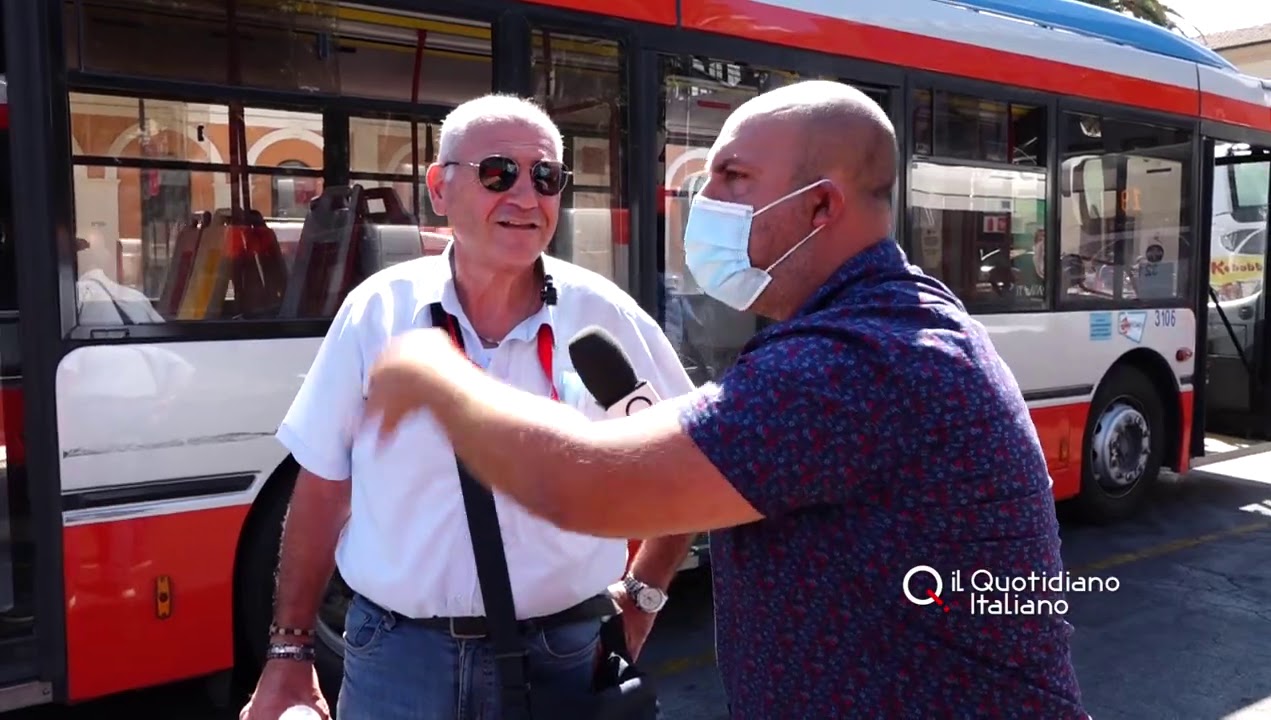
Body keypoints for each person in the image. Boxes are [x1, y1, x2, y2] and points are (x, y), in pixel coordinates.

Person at [361, 80, 1091, 718]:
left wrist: (436, 372)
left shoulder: (852, 362)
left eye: (734, 177)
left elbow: (589, 487)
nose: (704, 201)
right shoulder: (874, 325)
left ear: (820, 207)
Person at [240, 93, 697, 720]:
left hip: (563, 658)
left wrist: (643, 595)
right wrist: (289, 650)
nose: (524, 197)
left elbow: (688, 469)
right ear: (439, 187)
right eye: (497, 173)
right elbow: (322, 486)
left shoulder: (605, 316)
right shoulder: (379, 311)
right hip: (397, 661)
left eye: (544, 177)